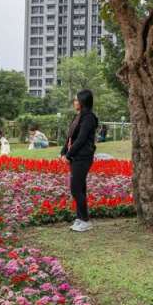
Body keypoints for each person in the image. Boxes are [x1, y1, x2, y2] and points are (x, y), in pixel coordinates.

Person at [61, 89, 98, 233]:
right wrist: (63, 152)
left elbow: (81, 140)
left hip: (83, 157)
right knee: (80, 188)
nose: (74, 102)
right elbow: (71, 137)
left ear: (83, 102)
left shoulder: (88, 118)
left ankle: (85, 220)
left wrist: (69, 155)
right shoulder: (78, 116)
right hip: (76, 156)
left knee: (75, 189)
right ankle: (80, 218)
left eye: (76, 100)